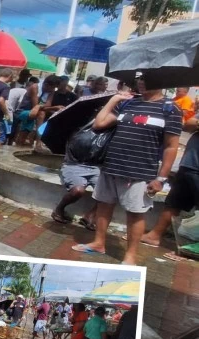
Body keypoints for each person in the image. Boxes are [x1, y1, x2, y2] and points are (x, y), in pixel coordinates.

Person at [73, 77, 183, 265]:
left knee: (135, 213)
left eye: (147, 78)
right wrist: (114, 99)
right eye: (140, 78)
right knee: (103, 205)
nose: (141, 82)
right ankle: (99, 243)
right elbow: (99, 124)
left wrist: (161, 178)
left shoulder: (170, 109)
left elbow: (171, 147)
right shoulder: (128, 103)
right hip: (111, 165)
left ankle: (130, 256)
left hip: (140, 171)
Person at [136, 114, 198, 247]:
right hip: (189, 164)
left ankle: (193, 250)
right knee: (174, 202)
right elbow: (188, 124)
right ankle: (154, 236)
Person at [52, 128, 99, 230]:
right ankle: (59, 209)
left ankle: (90, 215)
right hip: (73, 165)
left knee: (109, 194)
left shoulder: (107, 132)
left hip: (96, 167)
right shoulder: (76, 128)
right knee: (77, 191)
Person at [13, 77, 40, 146]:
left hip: (19, 112)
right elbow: (20, 104)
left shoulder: (26, 91)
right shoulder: (25, 91)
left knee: (19, 135)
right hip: (21, 113)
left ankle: (20, 141)